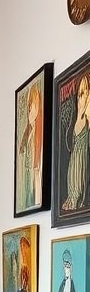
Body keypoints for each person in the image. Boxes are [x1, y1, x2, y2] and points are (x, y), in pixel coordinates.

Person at [62, 74, 90, 212]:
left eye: (84, 93)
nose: (80, 98)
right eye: (79, 94)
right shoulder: (75, 118)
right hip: (73, 166)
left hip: (82, 166)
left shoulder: (87, 120)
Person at [18, 81, 42, 211]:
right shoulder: (29, 133)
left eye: (34, 106)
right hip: (27, 176)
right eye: (29, 107)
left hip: (34, 175)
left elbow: (37, 167)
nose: (31, 111)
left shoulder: (38, 134)